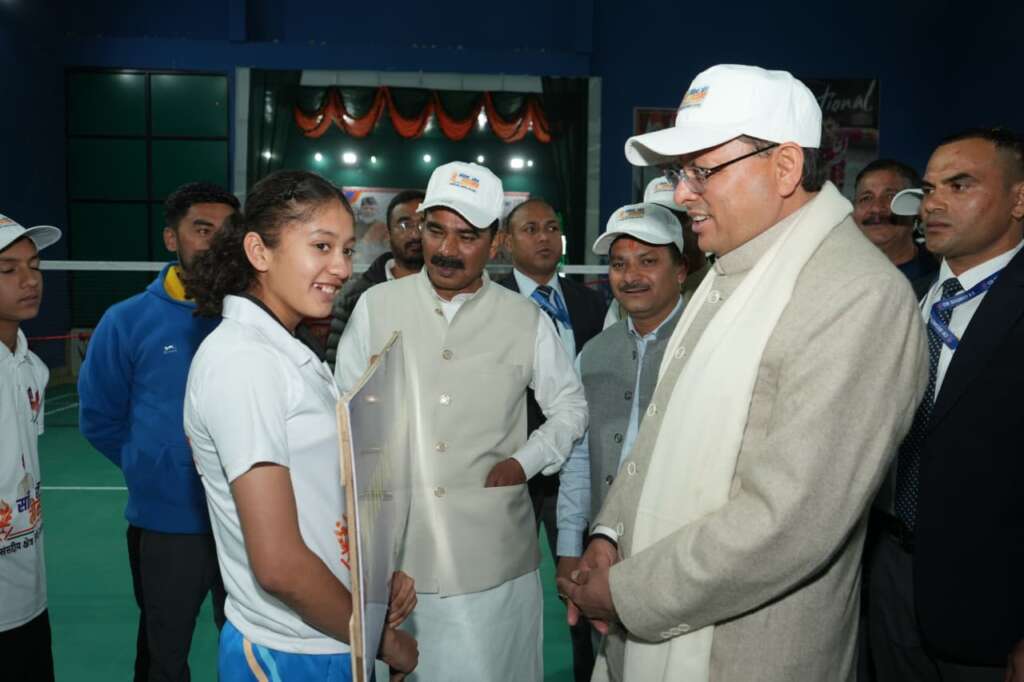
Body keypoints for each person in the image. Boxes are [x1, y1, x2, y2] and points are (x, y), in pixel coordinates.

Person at [558, 63, 927, 682]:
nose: (682, 194)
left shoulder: (856, 295)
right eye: (680, 173)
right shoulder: (727, 270)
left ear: (784, 167)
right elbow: (658, 431)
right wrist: (611, 534)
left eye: (702, 171)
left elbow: (790, 522)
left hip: (746, 655)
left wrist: (625, 592)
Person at [335, 161, 588, 681]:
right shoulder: (376, 306)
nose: (447, 249)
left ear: (495, 243)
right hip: (394, 561)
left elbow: (571, 406)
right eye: (435, 230)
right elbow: (345, 419)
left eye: (467, 236)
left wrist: (525, 462)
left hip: (493, 559)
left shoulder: (525, 318)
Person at [181, 170, 417, 681]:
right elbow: (280, 565)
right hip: (290, 651)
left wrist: (371, 582)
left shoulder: (284, 351)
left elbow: (321, 498)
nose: (342, 267)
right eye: (321, 246)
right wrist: (382, 640)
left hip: (329, 633)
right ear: (259, 252)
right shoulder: (244, 362)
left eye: (347, 250)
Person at [868, 127, 1024, 682]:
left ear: (1018, 200)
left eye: (960, 185)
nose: (933, 203)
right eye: (930, 188)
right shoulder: (906, 302)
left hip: (991, 607)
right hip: (886, 578)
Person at [77, 181, 239, 682]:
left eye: (227, 231)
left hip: (249, 523)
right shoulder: (126, 321)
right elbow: (100, 418)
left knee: (252, 651)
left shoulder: (257, 318)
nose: (215, 243)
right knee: (163, 659)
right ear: (172, 238)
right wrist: (156, 467)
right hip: (168, 527)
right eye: (202, 229)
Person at [556, 202, 687, 676]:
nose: (630, 276)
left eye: (648, 261)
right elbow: (577, 459)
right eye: (618, 264)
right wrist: (569, 545)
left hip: (678, 552)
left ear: (681, 271)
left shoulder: (709, 345)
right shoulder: (593, 353)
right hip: (601, 553)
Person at [494, 196, 606, 681]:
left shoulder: (592, 302)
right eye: (530, 229)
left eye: (551, 227)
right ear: (506, 242)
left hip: (579, 467)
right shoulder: (491, 304)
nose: (544, 237)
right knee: (505, 589)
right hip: (514, 470)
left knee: (582, 587)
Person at [0, 215, 61, 682]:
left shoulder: (32, 368)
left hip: (27, 595)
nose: (30, 280)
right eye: (8, 269)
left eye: (34, 266)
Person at [325, 189, 425, 369]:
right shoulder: (356, 296)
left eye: (424, 224)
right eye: (405, 224)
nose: (415, 234)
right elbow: (337, 365)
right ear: (389, 233)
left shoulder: (450, 291)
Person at [603, 179, 707, 328]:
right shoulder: (626, 301)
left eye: (675, 218)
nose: (665, 228)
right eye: (655, 220)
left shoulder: (720, 286)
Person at [852, 159, 937, 296]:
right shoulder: (834, 270)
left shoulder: (938, 276)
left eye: (891, 196)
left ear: (917, 208)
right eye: (866, 198)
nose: (876, 208)